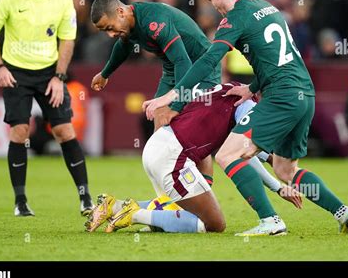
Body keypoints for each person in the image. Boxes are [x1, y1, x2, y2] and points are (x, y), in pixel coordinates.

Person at [143, 0, 348, 236]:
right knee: (286, 169)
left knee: (227, 154)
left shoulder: (235, 18)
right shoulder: (267, 7)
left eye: (213, 2)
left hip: (281, 96)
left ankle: (270, 220)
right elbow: (277, 58)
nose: (216, 8)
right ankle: (344, 213)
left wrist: (173, 93)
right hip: (304, 94)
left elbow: (210, 59)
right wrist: (251, 88)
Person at [85, 83, 302, 234]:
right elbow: (243, 154)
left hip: (159, 147)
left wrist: (274, 172)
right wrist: (277, 186)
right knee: (213, 224)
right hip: (172, 157)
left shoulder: (228, 92)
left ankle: (114, 206)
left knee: (183, 208)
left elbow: (244, 151)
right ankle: (134, 214)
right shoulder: (246, 105)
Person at [0, 0, 94, 217]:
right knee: (20, 131)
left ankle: (85, 197)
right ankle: (20, 202)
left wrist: (59, 77)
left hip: (49, 73)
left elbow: (67, 39)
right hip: (15, 72)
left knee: (65, 131)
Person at [89, 0, 222, 181]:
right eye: (105, 31)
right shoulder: (128, 24)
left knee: (190, 130)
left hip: (202, 66)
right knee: (160, 125)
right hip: (172, 67)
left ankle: (203, 190)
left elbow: (182, 60)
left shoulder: (154, 20)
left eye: (110, 28)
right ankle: (168, 193)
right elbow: (123, 47)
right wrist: (105, 74)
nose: (110, 34)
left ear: (120, 12)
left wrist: (176, 106)